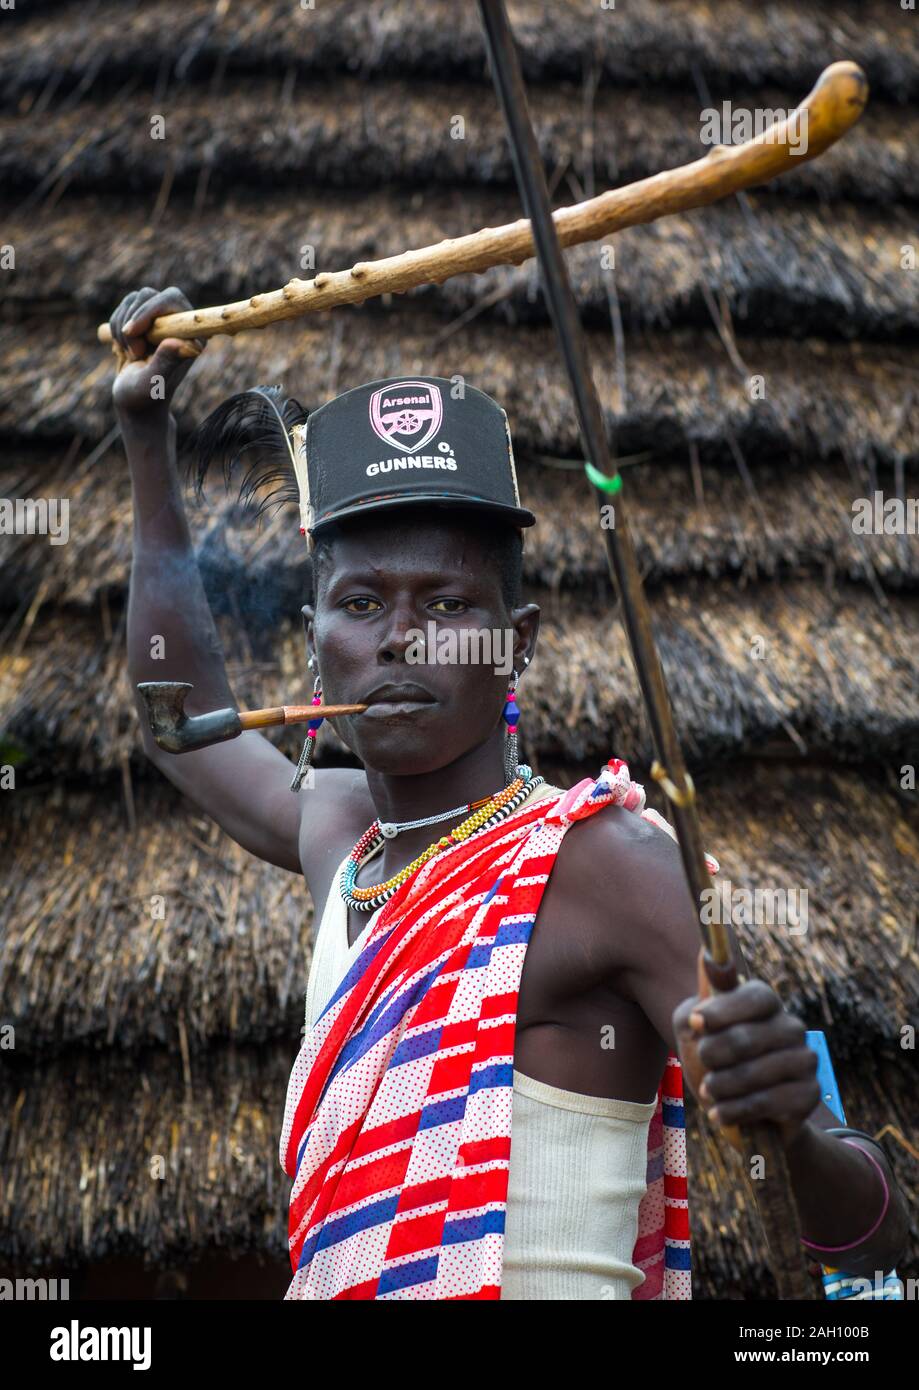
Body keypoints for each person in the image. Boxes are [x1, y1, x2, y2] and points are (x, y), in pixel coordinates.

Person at [109, 285, 909, 1301]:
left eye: (447, 603)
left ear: (516, 640)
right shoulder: (341, 847)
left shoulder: (603, 862)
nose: (400, 637)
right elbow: (178, 720)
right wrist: (146, 435)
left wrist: (790, 1126)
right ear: (316, 642)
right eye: (360, 603)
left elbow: (870, 1243)